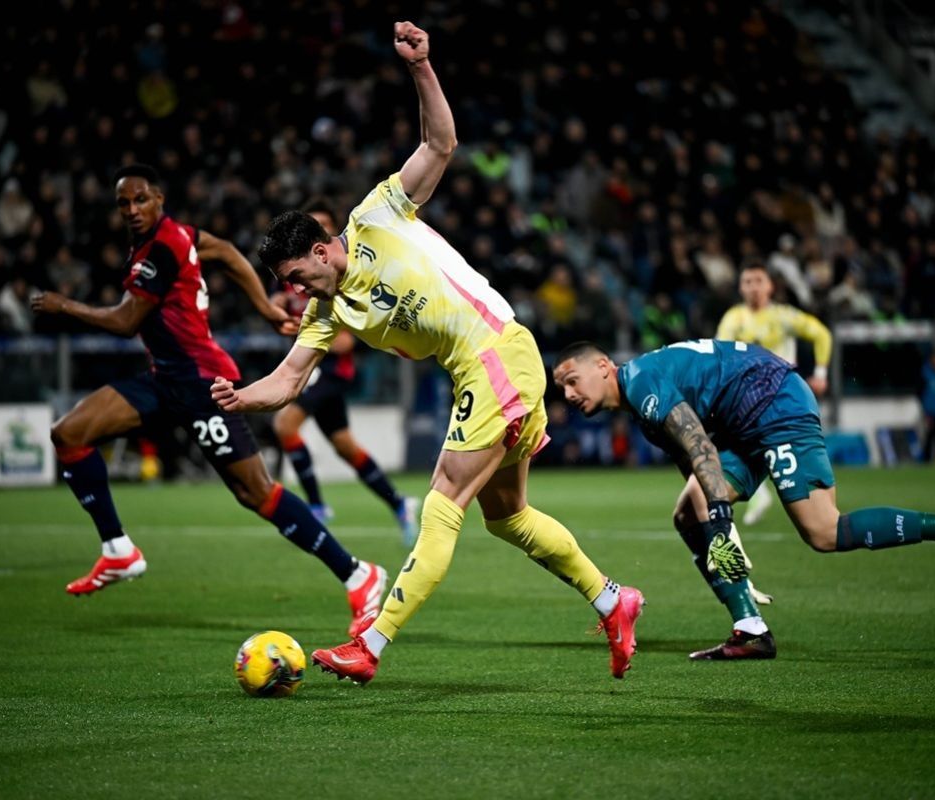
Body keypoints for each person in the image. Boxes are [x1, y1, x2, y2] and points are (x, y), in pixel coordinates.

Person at [211, 22, 642, 685]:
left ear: (324, 248)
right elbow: (289, 378)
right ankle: (615, 600)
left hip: (496, 352)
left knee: (444, 495)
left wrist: (421, 68)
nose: (294, 292)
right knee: (507, 518)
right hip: (483, 368)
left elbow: (440, 143)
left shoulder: (377, 215)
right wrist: (241, 395)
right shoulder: (329, 311)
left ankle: (373, 645)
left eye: (297, 276)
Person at [31, 163, 386, 638]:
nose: (132, 209)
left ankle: (358, 575)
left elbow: (125, 321)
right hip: (164, 380)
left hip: (202, 384)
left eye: (141, 199)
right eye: (123, 203)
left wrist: (64, 306)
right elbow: (226, 252)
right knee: (69, 433)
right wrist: (263, 305)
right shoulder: (177, 236)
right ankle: (118, 549)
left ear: (159, 198)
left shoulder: (165, 244)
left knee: (256, 493)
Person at [551, 339, 935, 661]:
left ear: (604, 366)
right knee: (688, 513)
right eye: (562, 390)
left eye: (573, 380)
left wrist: (720, 527)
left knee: (823, 531)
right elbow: (694, 465)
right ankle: (750, 629)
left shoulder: (643, 383)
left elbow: (701, 449)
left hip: (773, 402)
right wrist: (721, 536)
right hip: (745, 420)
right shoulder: (642, 399)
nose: (569, 395)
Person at [272, 201, 419, 543]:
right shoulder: (297, 280)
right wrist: (276, 310)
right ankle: (399, 504)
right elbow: (279, 306)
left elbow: (343, 344)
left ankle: (318, 507)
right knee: (346, 447)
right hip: (312, 373)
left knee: (285, 424)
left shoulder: (344, 274)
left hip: (332, 372)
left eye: (322, 225)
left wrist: (304, 331)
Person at [715, 261, 834, 600]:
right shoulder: (734, 319)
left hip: (781, 402)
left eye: (758, 280)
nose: (752, 286)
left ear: (770, 286)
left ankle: (769, 498)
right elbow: (719, 355)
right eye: (747, 281)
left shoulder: (783, 316)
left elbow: (821, 334)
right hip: (744, 408)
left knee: (821, 525)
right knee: (713, 488)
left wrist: (822, 371)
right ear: (740, 288)